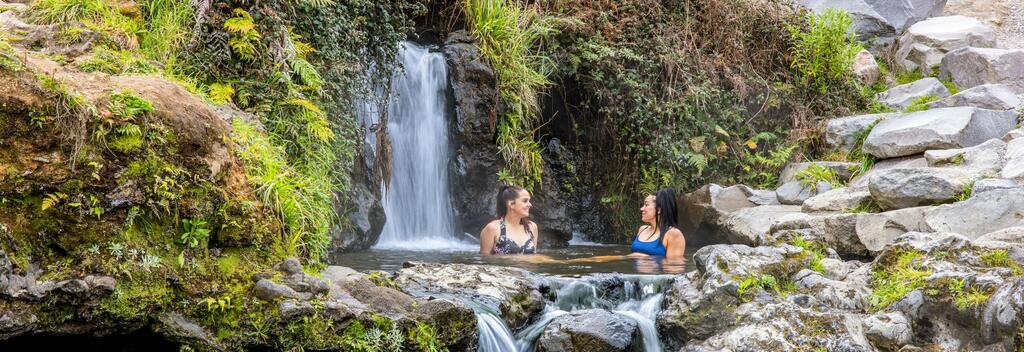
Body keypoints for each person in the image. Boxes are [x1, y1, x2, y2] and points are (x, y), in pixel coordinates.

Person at [480, 185, 539, 255]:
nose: (530, 205)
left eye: (529, 201)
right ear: (511, 204)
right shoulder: (492, 228)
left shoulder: (531, 227)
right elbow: (484, 260)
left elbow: (534, 256)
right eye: (525, 201)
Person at [630, 188, 686, 259]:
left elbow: (674, 266)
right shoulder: (642, 229)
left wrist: (645, 257)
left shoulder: (673, 234)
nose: (642, 209)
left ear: (659, 210)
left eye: (646, 205)